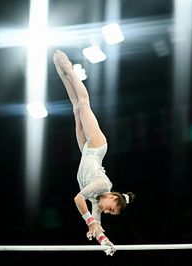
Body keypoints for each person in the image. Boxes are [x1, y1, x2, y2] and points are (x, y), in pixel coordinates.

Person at [52, 50, 136, 256]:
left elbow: (96, 224)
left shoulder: (97, 201)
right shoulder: (104, 185)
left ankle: (63, 75)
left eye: (108, 213)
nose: (105, 211)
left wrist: (105, 242)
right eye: (110, 209)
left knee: (75, 109)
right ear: (113, 197)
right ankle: (70, 69)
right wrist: (90, 222)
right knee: (84, 103)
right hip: (97, 146)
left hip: (85, 151)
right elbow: (78, 200)